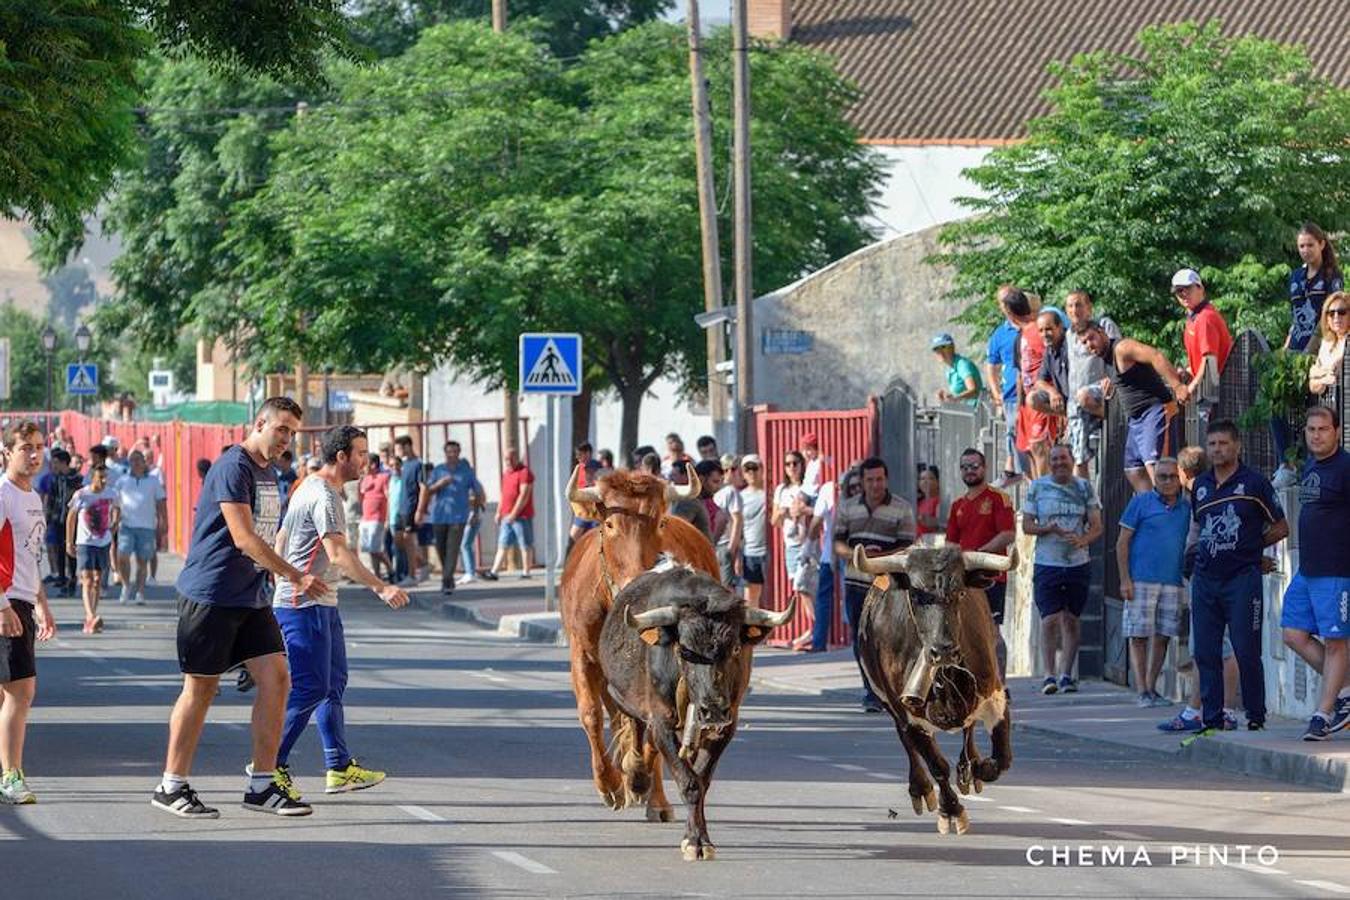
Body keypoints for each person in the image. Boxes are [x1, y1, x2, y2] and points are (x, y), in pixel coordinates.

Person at [152, 397, 329, 819]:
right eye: (280, 428)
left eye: (292, 432)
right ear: (260, 422)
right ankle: (170, 785)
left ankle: (262, 785)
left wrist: (272, 574)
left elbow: (267, 535)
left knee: (278, 678)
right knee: (201, 689)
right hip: (211, 595)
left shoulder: (270, 471)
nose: (286, 438)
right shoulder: (235, 466)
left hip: (249, 596)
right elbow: (244, 538)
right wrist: (295, 575)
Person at [271, 426, 409, 799]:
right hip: (304, 605)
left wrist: (284, 574)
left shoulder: (311, 487)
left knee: (332, 684)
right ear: (341, 456)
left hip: (321, 602)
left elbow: (282, 539)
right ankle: (269, 766)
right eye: (360, 453)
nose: (366, 460)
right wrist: (381, 587)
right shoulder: (324, 495)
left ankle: (338, 766)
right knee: (311, 687)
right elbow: (338, 555)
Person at [1188, 420, 1288, 737]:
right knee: (1206, 651)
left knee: (1246, 650)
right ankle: (1212, 718)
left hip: (1242, 580)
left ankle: (1255, 714)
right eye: (1213, 444)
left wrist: (1251, 551)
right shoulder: (1200, 485)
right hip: (1205, 580)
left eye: (1223, 443)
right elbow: (1198, 528)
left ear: (1237, 446)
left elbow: (1281, 526)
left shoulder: (1254, 483)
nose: (1218, 449)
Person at [1157, 446, 1241, 733]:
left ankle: (1226, 710)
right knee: (1202, 646)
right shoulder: (1200, 495)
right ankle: (1197, 709)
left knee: (1222, 646)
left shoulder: (1208, 494)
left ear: (1183, 472)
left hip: (1215, 574)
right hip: (1201, 574)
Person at [1281, 407, 1350, 740]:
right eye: (1311, 429)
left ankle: (1323, 715)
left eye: (1323, 429)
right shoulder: (1311, 464)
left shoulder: (1346, 467)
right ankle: (1347, 692)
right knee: (1293, 634)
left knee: (1336, 641)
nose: (1316, 435)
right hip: (1308, 569)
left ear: (1337, 431)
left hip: (1336, 569)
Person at [0, 421, 56, 805]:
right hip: (5, 602)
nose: (34, 454)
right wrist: (2, 605)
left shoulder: (32, 496)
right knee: (22, 691)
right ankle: (11, 776)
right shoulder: (3, 494)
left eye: (39, 447)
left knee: (12, 693)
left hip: (21, 599)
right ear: (6, 452)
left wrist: (41, 603)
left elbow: (29, 556)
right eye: (25, 447)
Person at [834, 457, 916, 713]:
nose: (875, 485)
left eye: (879, 479)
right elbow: (837, 544)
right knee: (861, 639)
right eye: (870, 480)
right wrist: (858, 556)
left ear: (886, 479)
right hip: (856, 583)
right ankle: (871, 690)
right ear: (862, 482)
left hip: (888, 586)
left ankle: (889, 688)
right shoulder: (847, 507)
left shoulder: (902, 508)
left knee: (889, 639)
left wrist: (879, 559)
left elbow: (907, 547)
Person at [1022, 445, 1103, 694]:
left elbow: (1097, 525)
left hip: (1077, 562)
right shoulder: (1037, 487)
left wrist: (1084, 540)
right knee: (1049, 619)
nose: (1058, 463)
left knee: (1071, 618)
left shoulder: (1084, 487)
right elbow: (1027, 525)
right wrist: (1049, 529)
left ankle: (1067, 674)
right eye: (1054, 459)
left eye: (1063, 458)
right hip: (1048, 562)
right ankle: (1049, 675)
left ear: (1071, 460)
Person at [1079, 319, 1190, 494]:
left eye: (1091, 338)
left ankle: (1169, 511)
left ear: (1102, 332)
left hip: (1156, 410)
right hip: (1136, 420)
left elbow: (1155, 355)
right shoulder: (1106, 360)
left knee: (1156, 468)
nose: (1089, 345)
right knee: (1133, 470)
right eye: (1084, 343)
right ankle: (1150, 509)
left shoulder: (1122, 348)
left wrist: (1177, 385)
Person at [1117, 458, 1190, 707]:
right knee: (1139, 635)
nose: (1168, 481)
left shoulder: (1187, 507)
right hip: (1140, 580)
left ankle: (1152, 687)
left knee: (1163, 635)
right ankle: (1142, 690)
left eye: (1172, 476)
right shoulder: (1140, 502)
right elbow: (1122, 542)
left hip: (1173, 581)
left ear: (1179, 478)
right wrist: (1125, 579)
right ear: (1154, 479)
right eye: (1162, 477)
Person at [945, 449, 1015, 677]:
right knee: (963, 631)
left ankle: (1000, 686)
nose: (969, 471)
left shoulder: (998, 498)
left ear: (984, 468)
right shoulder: (957, 505)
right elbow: (950, 544)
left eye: (974, 466)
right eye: (964, 467)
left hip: (991, 576)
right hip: (964, 579)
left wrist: (979, 554)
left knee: (992, 631)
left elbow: (1008, 534)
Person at [1064, 291, 1120, 478]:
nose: (1075, 310)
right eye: (1070, 306)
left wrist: (1113, 381)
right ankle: (1084, 503)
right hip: (1076, 406)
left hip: (1100, 392)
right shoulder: (1068, 335)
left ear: (1089, 308)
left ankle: (1118, 417)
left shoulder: (1104, 326)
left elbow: (1117, 354)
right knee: (1078, 458)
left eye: (1079, 305)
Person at [417, 440, 481, 596]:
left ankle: (446, 581)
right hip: (439, 516)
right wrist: (440, 484)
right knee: (441, 549)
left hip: (458, 516)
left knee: (452, 549)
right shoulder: (439, 470)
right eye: (449, 452)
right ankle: (449, 578)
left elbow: (477, 492)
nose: (452, 454)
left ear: (459, 453)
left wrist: (476, 513)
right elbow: (428, 490)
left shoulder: (466, 471)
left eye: (455, 451)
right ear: (445, 453)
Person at [66, 463, 120, 632]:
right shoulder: (82, 494)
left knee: (97, 580)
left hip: (103, 542)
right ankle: (90, 616)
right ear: (92, 477)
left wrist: (114, 525)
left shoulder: (112, 493)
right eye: (100, 477)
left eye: (105, 477)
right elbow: (71, 517)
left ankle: (92, 617)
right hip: (85, 542)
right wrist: (69, 541)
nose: (103, 481)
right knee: (87, 579)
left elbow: (117, 509)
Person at [809, 466, 855, 653]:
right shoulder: (832, 493)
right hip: (833, 554)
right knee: (831, 597)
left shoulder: (850, 501)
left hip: (844, 555)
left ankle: (850, 640)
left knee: (847, 597)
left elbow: (817, 523)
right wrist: (809, 547)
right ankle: (820, 641)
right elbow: (817, 523)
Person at [114, 449, 167, 606]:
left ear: (144, 462)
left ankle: (140, 592)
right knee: (122, 556)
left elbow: (161, 503)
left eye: (138, 460)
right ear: (129, 463)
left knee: (142, 561)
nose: (136, 463)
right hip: (126, 525)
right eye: (132, 460)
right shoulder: (122, 481)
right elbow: (116, 504)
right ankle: (125, 586)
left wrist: (164, 521)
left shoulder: (153, 481)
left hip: (146, 526)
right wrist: (114, 521)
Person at [987, 286, 1028, 486]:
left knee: (1033, 451)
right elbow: (991, 365)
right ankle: (1014, 474)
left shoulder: (1035, 326)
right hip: (1011, 397)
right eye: (1003, 300)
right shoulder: (1000, 333)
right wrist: (996, 394)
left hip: (1033, 397)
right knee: (1016, 441)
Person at [1173, 268, 1233, 400]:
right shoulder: (1193, 318)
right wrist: (1188, 372)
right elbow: (1201, 362)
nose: (1183, 294)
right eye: (1178, 291)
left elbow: (1209, 362)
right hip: (1210, 390)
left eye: (1187, 288)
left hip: (1217, 395)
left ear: (1200, 288)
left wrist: (1190, 389)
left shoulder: (1205, 318)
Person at [1287, 222, 1344, 353]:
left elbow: (1331, 315)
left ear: (1322, 245)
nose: (1306, 250)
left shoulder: (1332, 275)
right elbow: (1295, 318)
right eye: (1301, 246)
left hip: (1321, 349)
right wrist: (1285, 349)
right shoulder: (1295, 276)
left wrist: (1309, 350)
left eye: (1310, 245)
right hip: (1295, 347)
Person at [38, 448, 81, 597]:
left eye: (56, 463)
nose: (53, 466)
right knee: (58, 550)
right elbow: (51, 497)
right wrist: (47, 516)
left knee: (71, 551)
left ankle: (72, 579)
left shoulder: (76, 479)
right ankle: (62, 579)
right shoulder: (55, 478)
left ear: (64, 463)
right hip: (57, 519)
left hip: (72, 520)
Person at [488, 448, 535, 579]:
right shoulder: (507, 474)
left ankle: (526, 572)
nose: (508, 462)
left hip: (521, 516)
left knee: (525, 544)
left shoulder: (525, 472)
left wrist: (514, 513)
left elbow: (524, 494)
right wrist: (498, 511)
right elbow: (503, 495)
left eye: (510, 458)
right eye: (506, 459)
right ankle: (494, 572)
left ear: (516, 457)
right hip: (506, 516)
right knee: (502, 544)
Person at [1028, 311, 1070, 453]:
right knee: (1032, 399)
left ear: (1059, 327)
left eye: (1048, 329)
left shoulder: (1070, 345)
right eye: (1041, 330)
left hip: (1081, 399)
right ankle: (1066, 414)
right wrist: (1052, 392)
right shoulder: (1049, 350)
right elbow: (1039, 380)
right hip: (1063, 401)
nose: (1044, 334)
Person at [391, 436, 426, 587]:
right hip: (401, 507)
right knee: (399, 539)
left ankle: (412, 575)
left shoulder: (418, 464)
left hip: (411, 507)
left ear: (407, 447)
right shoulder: (403, 464)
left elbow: (424, 487)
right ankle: (423, 563)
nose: (398, 452)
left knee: (409, 540)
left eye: (399, 448)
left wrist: (420, 510)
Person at [736, 454, 768, 607]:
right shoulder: (740, 497)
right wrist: (737, 556)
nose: (751, 472)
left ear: (761, 469)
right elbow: (737, 528)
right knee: (751, 597)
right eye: (747, 469)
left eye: (755, 468)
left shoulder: (770, 494)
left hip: (772, 553)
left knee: (775, 594)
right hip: (751, 552)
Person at [358, 454, 392, 581]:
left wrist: (387, 518)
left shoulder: (383, 478)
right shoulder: (364, 479)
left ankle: (390, 568)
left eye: (366, 464)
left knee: (375, 548)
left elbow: (388, 497)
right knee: (370, 549)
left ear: (373, 464)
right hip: (366, 517)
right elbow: (361, 496)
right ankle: (376, 577)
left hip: (377, 518)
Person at [711, 455, 743, 589]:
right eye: (736, 470)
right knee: (727, 589)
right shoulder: (731, 492)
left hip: (716, 545)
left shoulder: (716, 493)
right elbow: (737, 520)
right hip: (724, 546)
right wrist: (732, 549)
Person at [1308, 291, 1349, 397]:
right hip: (1330, 406)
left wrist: (1319, 374)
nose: (1336, 316)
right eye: (1331, 313)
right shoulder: (1326, 344)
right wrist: (1326, 376)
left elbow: (1337, 369)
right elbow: (1312, 383)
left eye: (1342, 312)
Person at [565, 443, 602, 558]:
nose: (578, 457)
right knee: (574, 535)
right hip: (582, 509)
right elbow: (573, 492)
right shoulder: (579, 468)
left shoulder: (598, 467)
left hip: (597, 511)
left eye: (580, 454)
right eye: (576, 455)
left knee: (597, 537)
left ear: (588, 453)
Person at [932, 332, 983, 408]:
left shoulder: (962, 364)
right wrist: (948, 397)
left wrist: (955, 398)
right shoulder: (950, 368)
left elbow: (973, 390)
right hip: (964, 411)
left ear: (952, 347)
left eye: (943, 347)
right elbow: (959, 394)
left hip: (974, 413)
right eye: (936, 349)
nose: (940, 351)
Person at [668, 460, 711, 539]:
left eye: (674, 475)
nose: (671, 479)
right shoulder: (682, 499)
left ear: (686, 476)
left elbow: (675, 530)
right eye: (670, 475)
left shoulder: (687, 500)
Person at [915, 465, 942, 537]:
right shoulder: (919, 502)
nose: (925, 482)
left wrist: (927, 520)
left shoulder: (940, 502)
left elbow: (942, 525)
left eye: (930, 478)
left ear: (938, 481)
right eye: (922, 479)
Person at [800, 432, 823, 498]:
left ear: (816, 449)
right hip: (805, 493)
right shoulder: (811, 463)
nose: (805, 453)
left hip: (814, 496)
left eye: (808, 450)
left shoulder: (820, 461)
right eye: (803, 450)